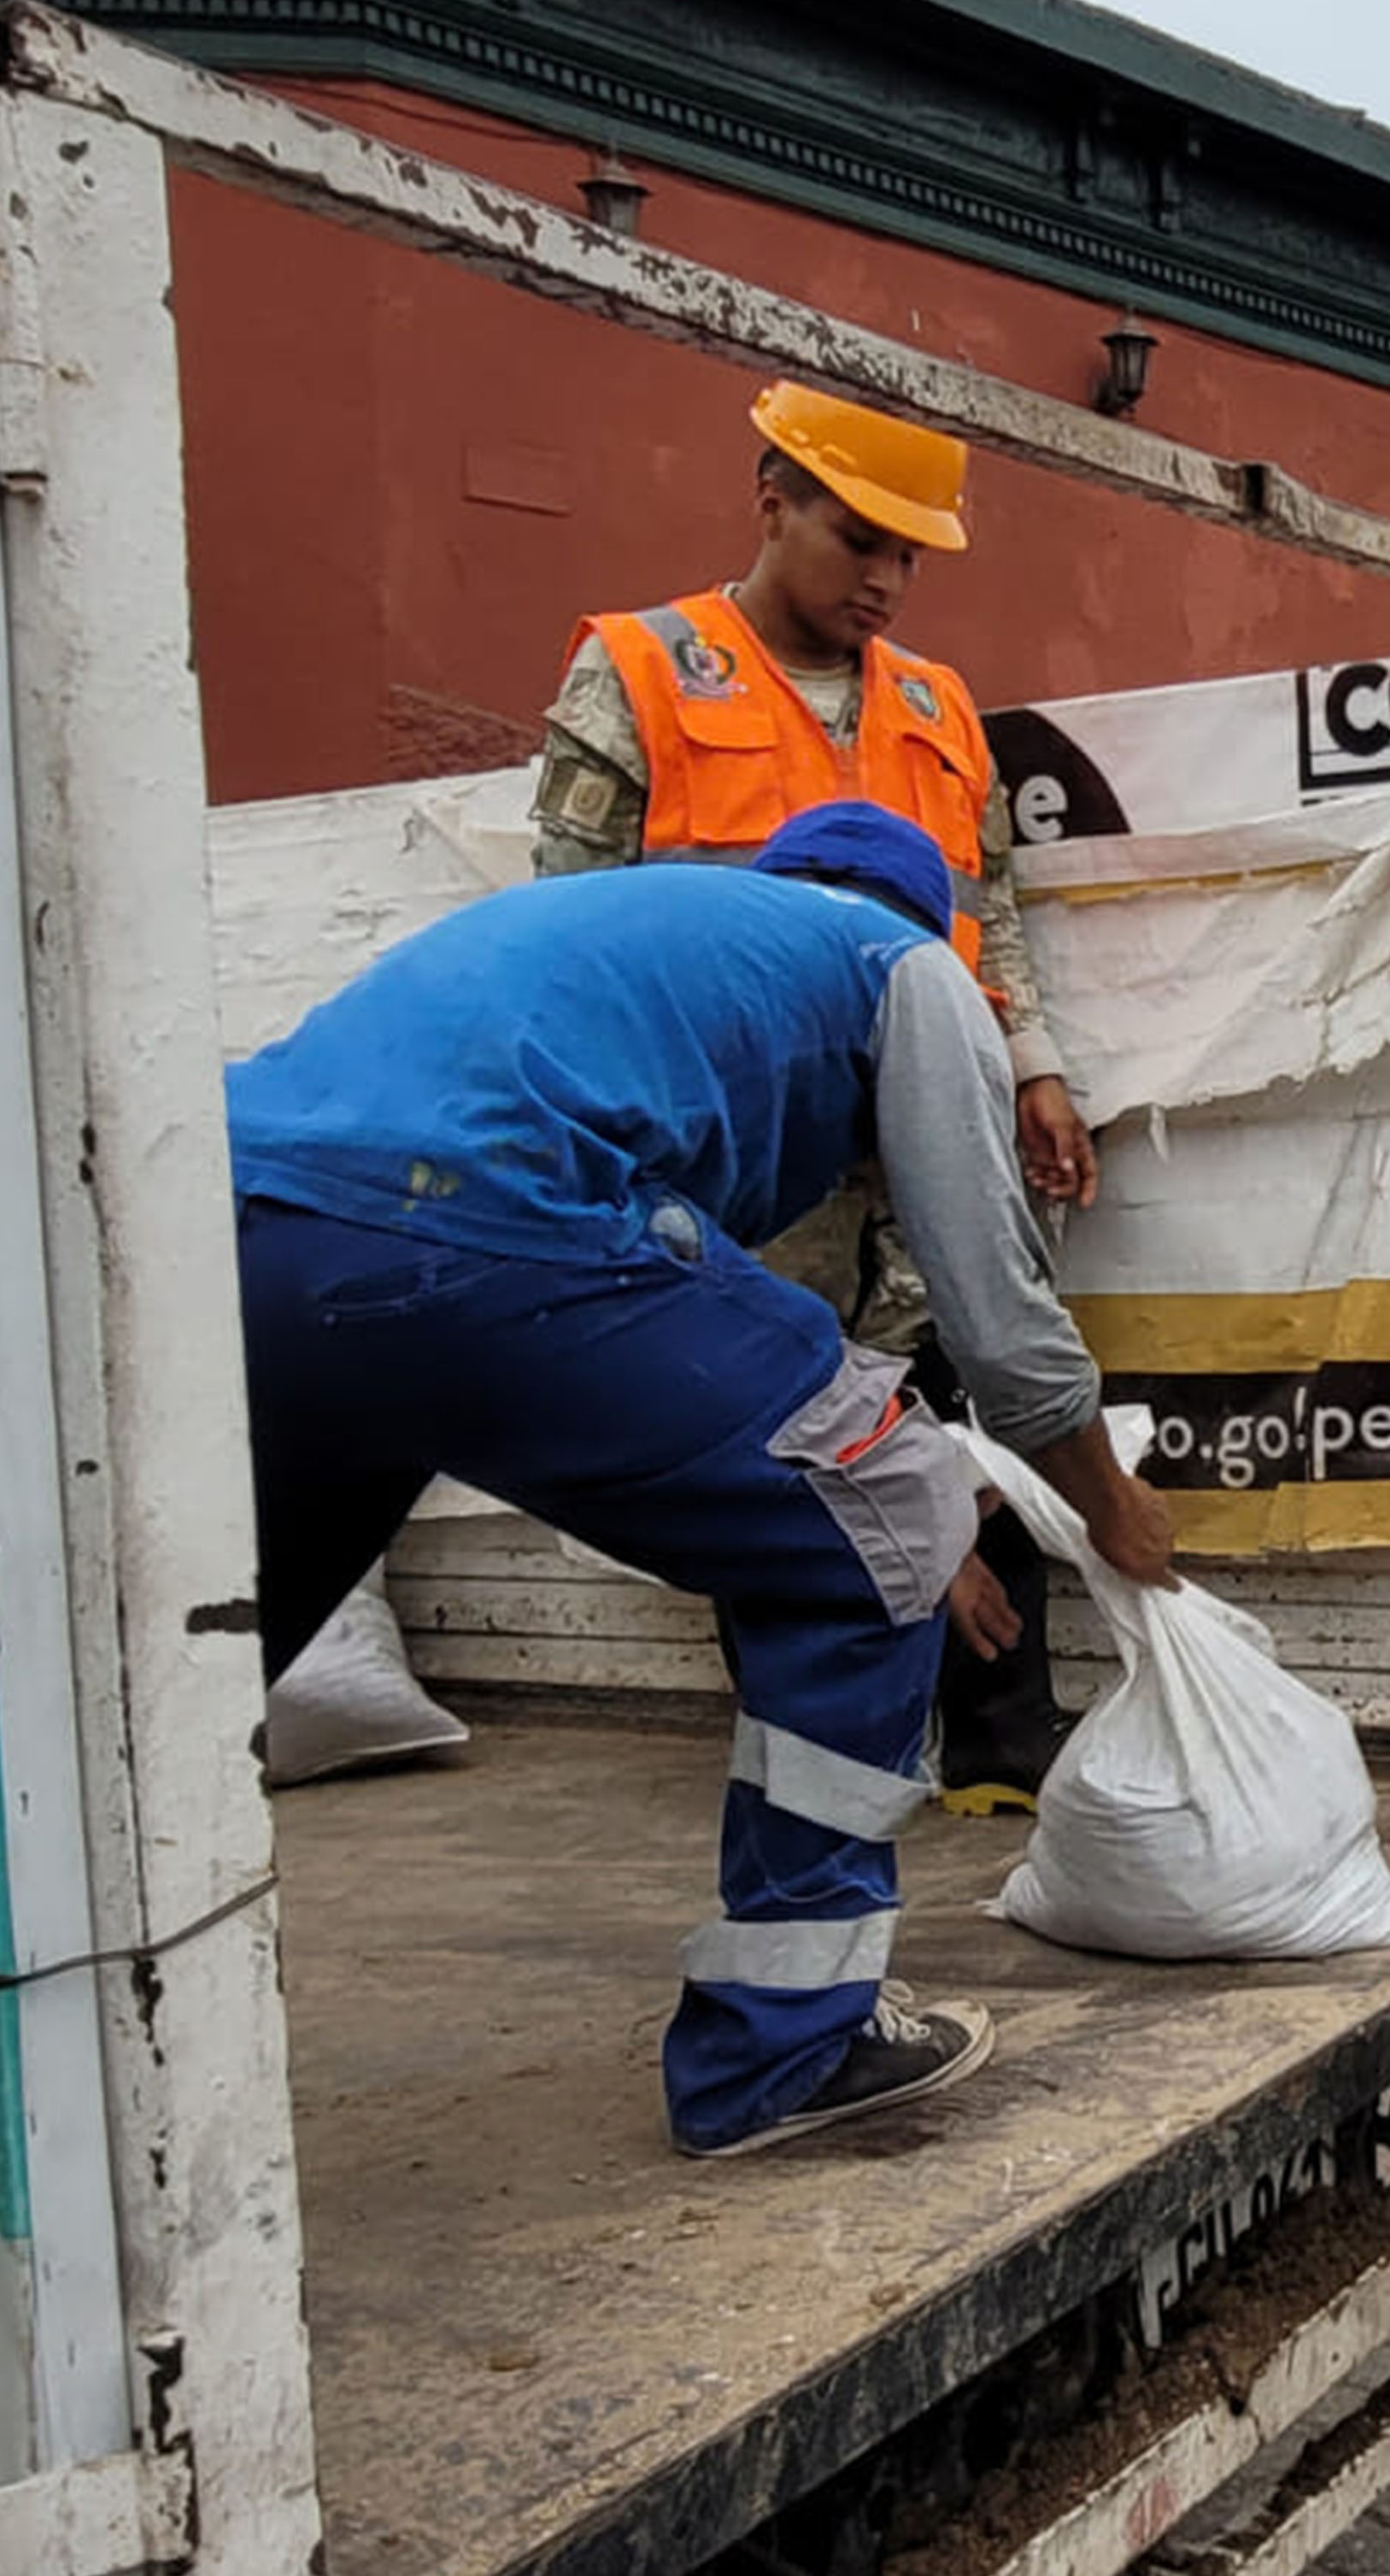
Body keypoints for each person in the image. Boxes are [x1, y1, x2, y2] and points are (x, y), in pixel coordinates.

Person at [226, 802, 1181, 2160]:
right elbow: (1003, 1325)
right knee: (893, 1500)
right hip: (474, 1221)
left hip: (239, 1226)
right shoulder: (897, 964)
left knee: (204, 1659)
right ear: (929, 920)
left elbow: (733, 1359)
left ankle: (99, 2015)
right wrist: (1103, 1507)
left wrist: (883, 1516)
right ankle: (785, 2052)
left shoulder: (662, 955)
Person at [531, 380, 1099, 1816]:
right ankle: (829, 1762)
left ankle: (999, 1751)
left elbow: (986, 903)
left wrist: (1032, 1063)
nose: (887, 580)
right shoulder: (643, 669)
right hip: (742, 1147)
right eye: (860, 540)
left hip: (925, 1130)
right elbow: (569, 931)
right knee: (784, 1448)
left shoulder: (933, 700)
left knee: (966, 1423)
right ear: (768, 500)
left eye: (912, 555)